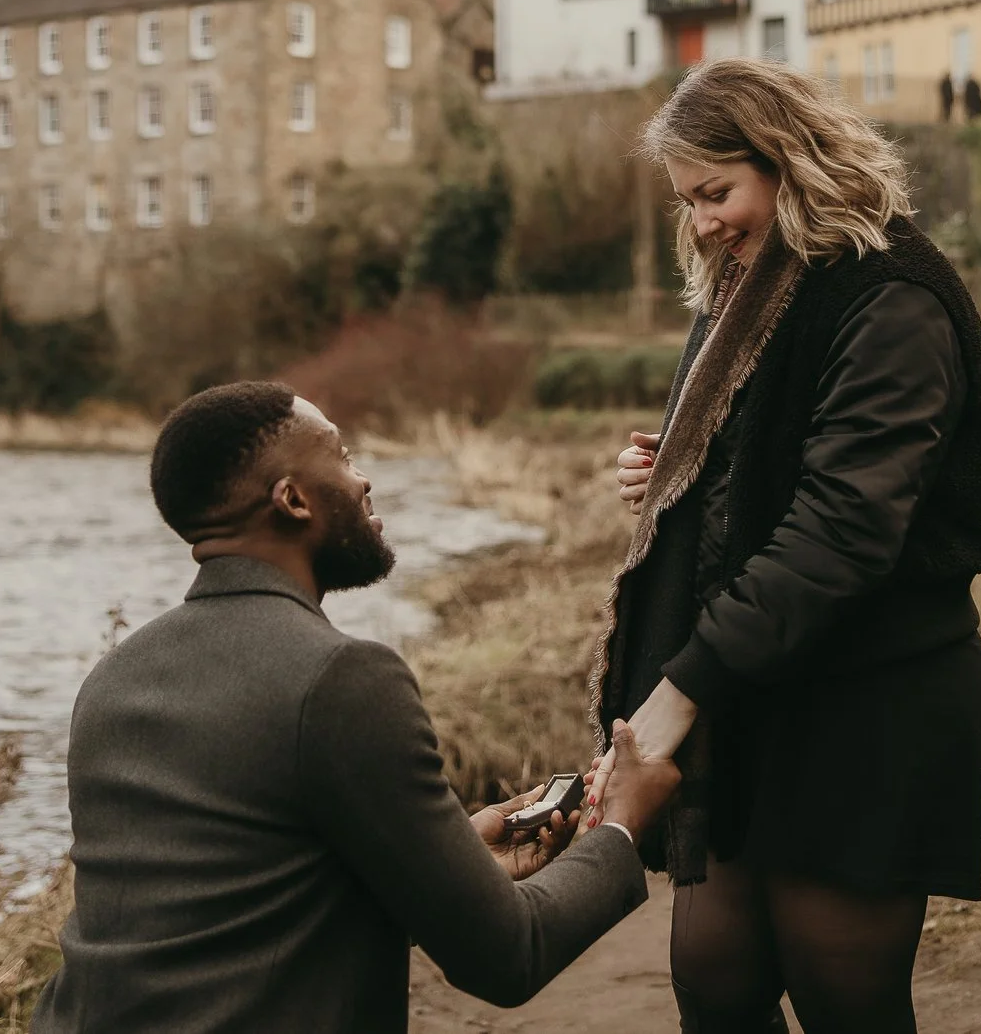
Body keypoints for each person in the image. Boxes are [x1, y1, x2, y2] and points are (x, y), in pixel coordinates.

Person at [34, 383, 683, 1034]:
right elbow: (508, 955)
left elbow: (213, 924)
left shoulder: (113, 678)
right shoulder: (343, 677)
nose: (364, 477)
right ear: (292, 499)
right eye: (341, 455)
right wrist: (620, 827)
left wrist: (452, 868)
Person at [589, 59, 981, 1034]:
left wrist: (675, 693)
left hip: (865, 696)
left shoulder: (893, 295)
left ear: (790, 159)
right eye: (688, 200)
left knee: (842, 994)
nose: (702, 222)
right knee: (714, 978)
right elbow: (761, 451)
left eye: (716, 191)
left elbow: (845, 523)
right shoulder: (750, 288)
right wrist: (677, 477)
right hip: (755, 686)